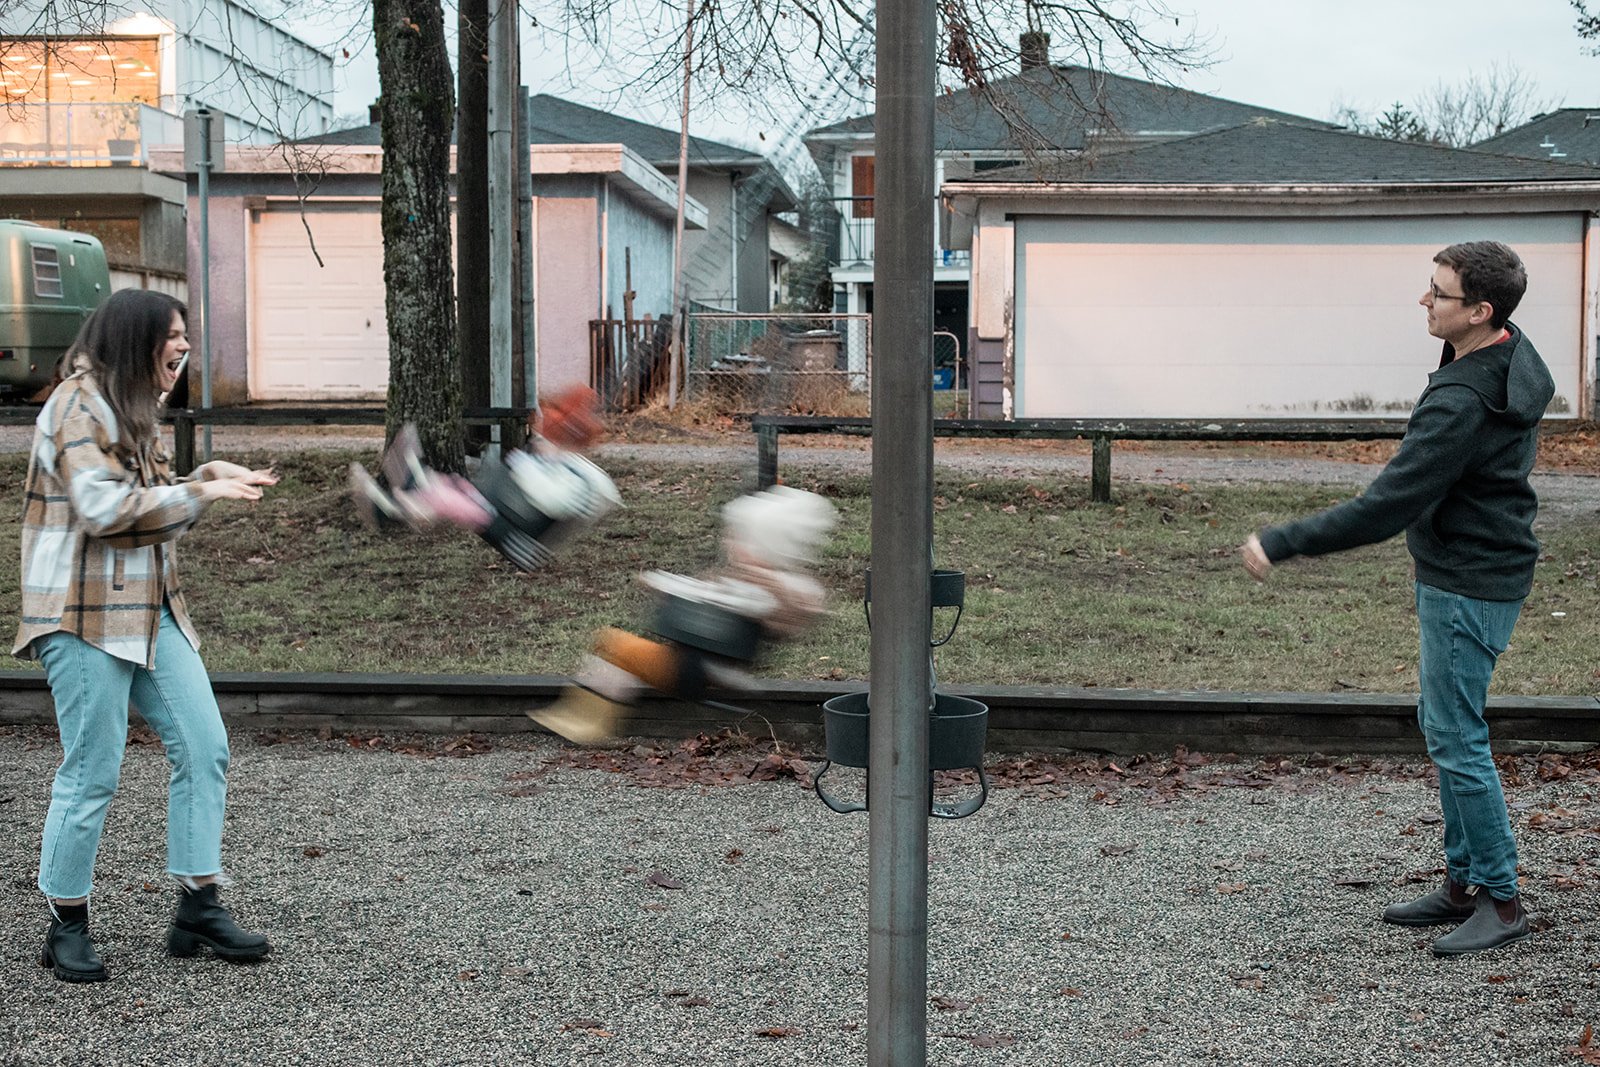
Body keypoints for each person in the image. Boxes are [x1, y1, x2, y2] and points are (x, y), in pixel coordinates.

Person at [1242, 241, 1554, 957]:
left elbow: (1385, 505)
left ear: (1481, 311)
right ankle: (1464, 880)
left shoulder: (1462, 401)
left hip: (1466, 580)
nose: (1424, 300)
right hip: (1484, 564)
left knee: (1455, 734)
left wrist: (1283, 540)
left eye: (1438, 293)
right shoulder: (1511, 352)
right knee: (1445, 722)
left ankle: (1501, 900)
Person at [14, 288, 279, 983]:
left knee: (204, 745)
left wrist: (201, 478)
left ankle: (198, 906)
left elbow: (153, 510)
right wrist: (201, 493)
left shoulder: (137, 409)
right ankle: (65, 923)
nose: (184, 345)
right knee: (93, 768)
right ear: (135, 340)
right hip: (80, 611)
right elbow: (105, 510)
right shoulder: (76, 406)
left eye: (186, 333)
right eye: (173, 334)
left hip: (150, 607)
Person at [531, 485, 836, 744]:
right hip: (699, 660)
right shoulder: (750, 581)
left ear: (767, 545)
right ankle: (588, 716)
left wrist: (681, 589)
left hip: (703, 669)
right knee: (622, 658)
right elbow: (709, 592)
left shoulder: (772, 588)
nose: (730, 544)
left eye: (739, 539)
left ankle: (590, 721)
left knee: (614, 644)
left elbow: (746, 601)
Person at [347, 386, 620, 572]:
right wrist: (538, 461)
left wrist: (528, 466)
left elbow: (550, 499)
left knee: (454, 499)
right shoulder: (567, 464)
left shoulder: (577, 477)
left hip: (523, 540)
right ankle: (417, 488)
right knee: (457, 487)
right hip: (513, 519)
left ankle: (394, 508)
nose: (540, 437)